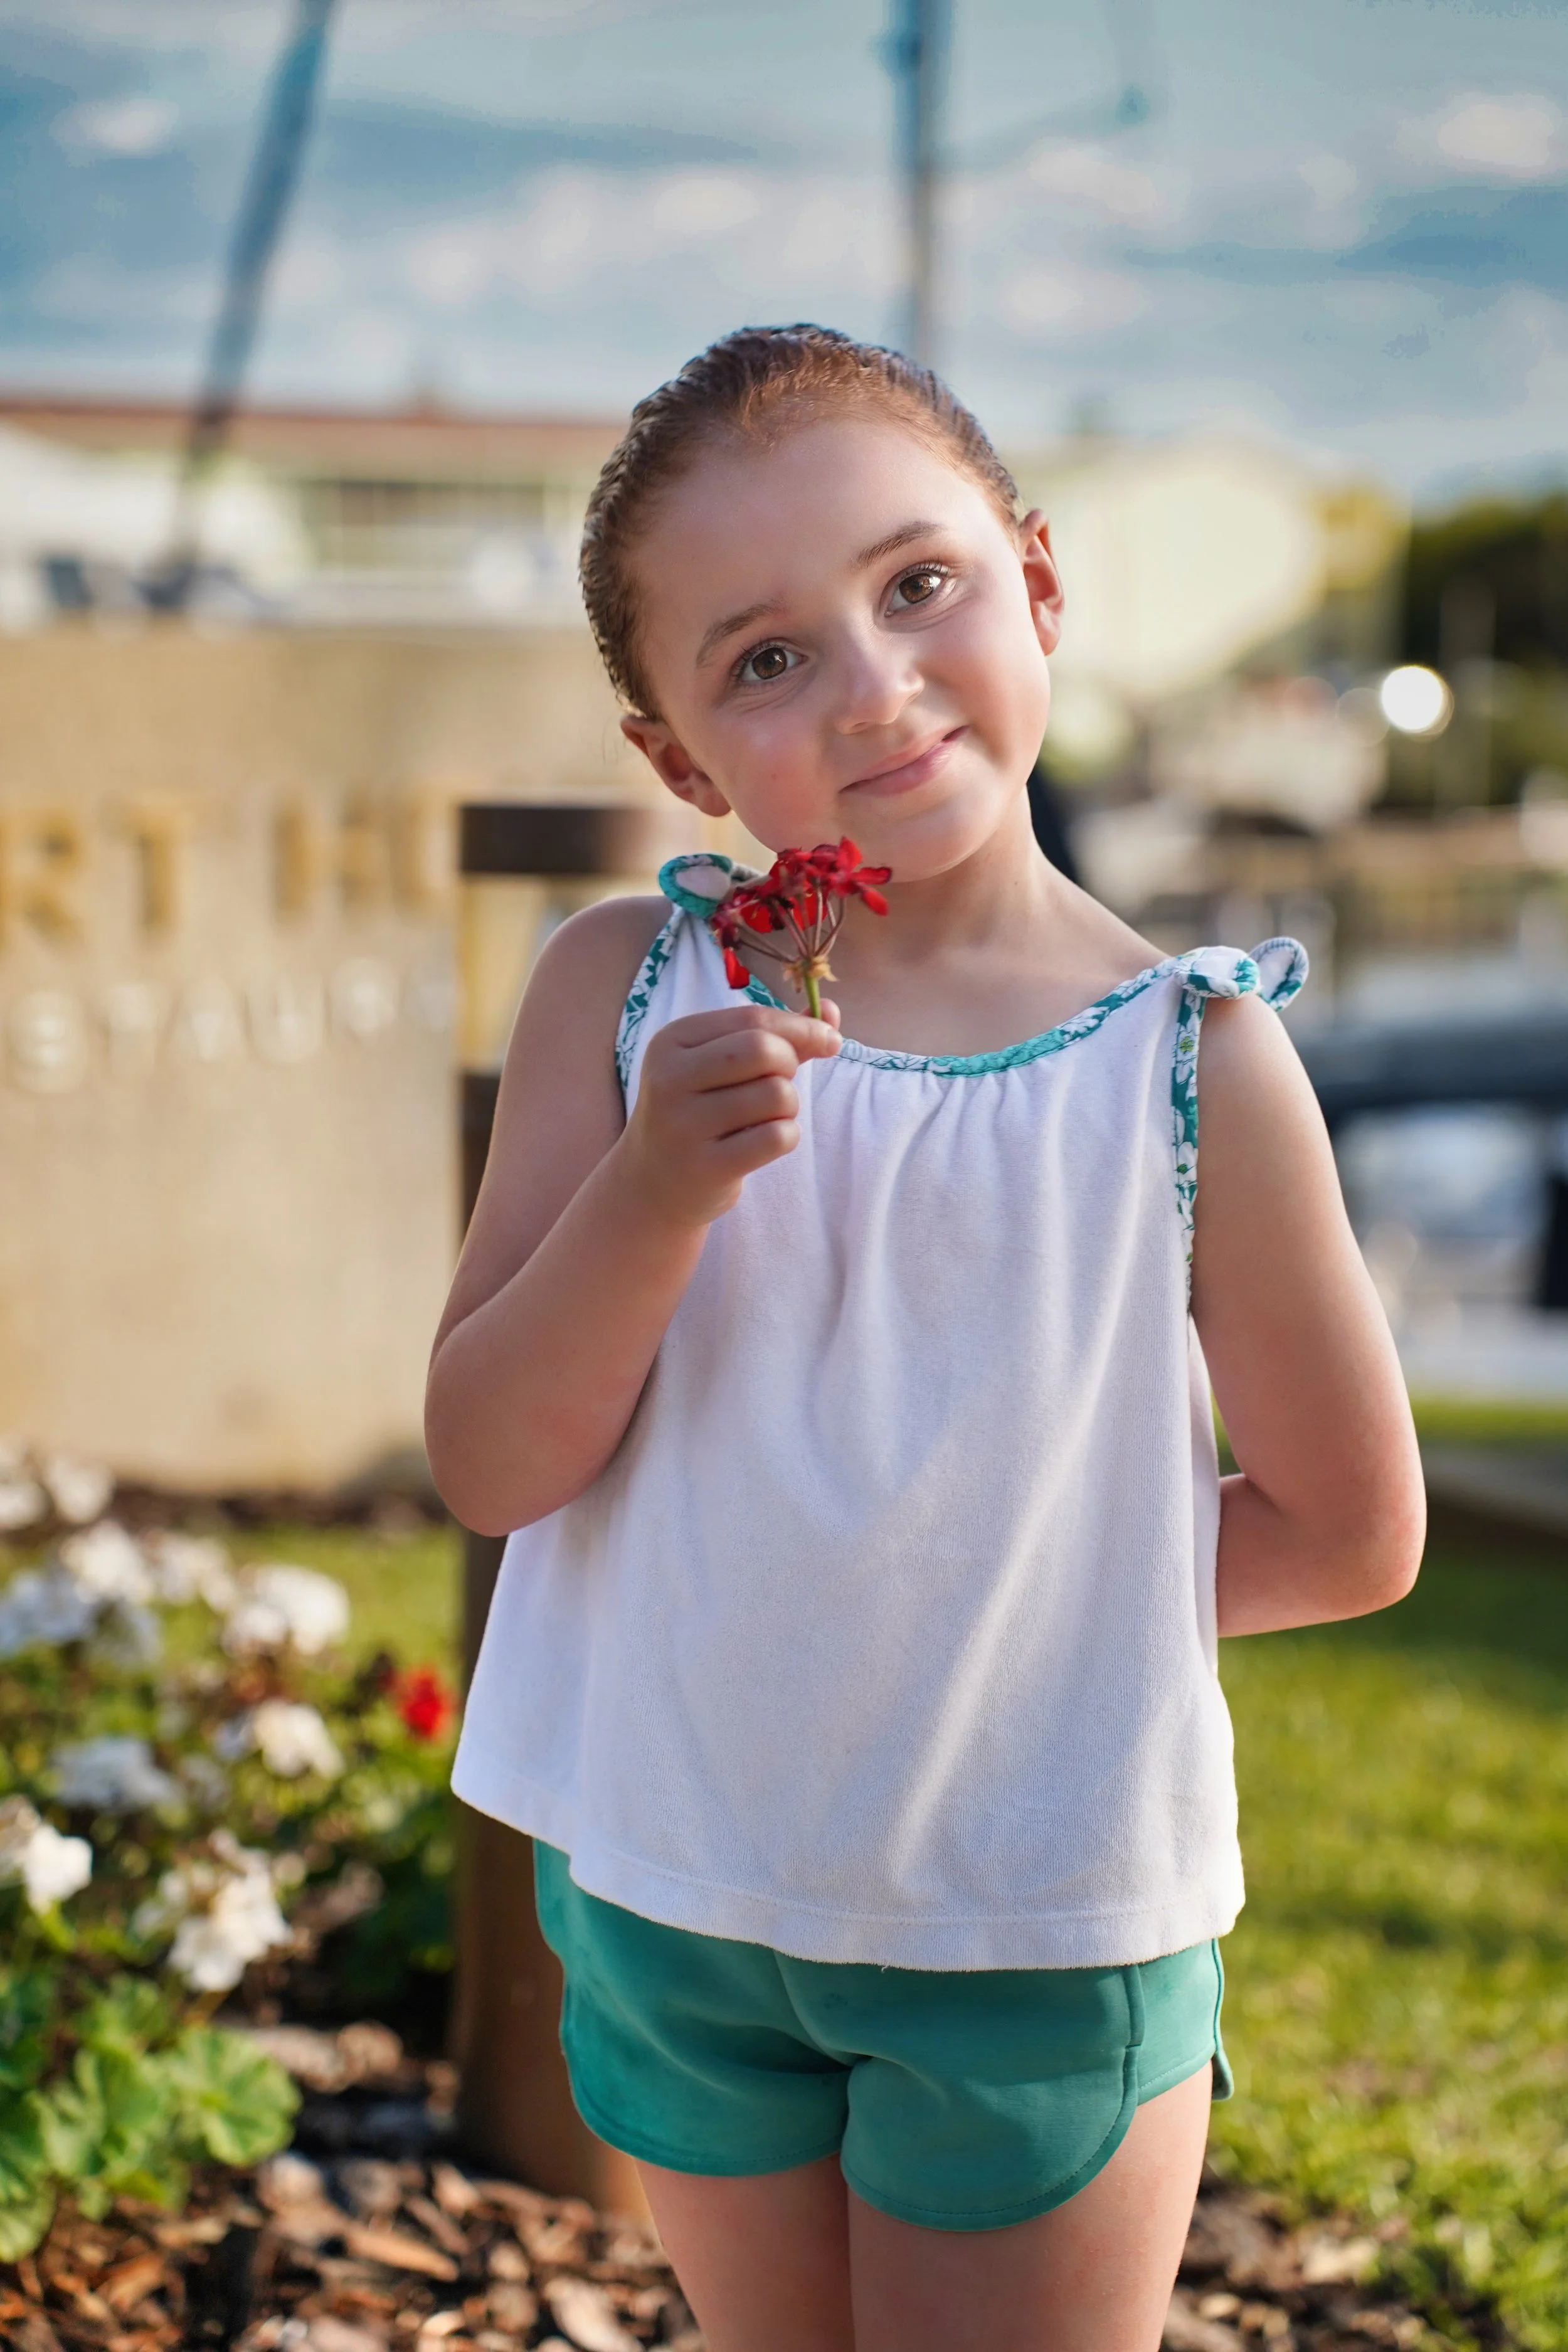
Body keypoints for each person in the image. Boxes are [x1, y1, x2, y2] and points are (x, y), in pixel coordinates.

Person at [427, 326, 1423, 2352]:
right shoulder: (620, 992)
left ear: (1038, 582)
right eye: (763, 657)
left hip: (1024, 1920)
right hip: (676, 1890)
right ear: (681, 759)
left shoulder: (1192, 1063)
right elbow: (490, 1463)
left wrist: (981, 1614)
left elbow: (1346, 1525)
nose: (873, 681)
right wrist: (650, 1193)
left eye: (919, 585)